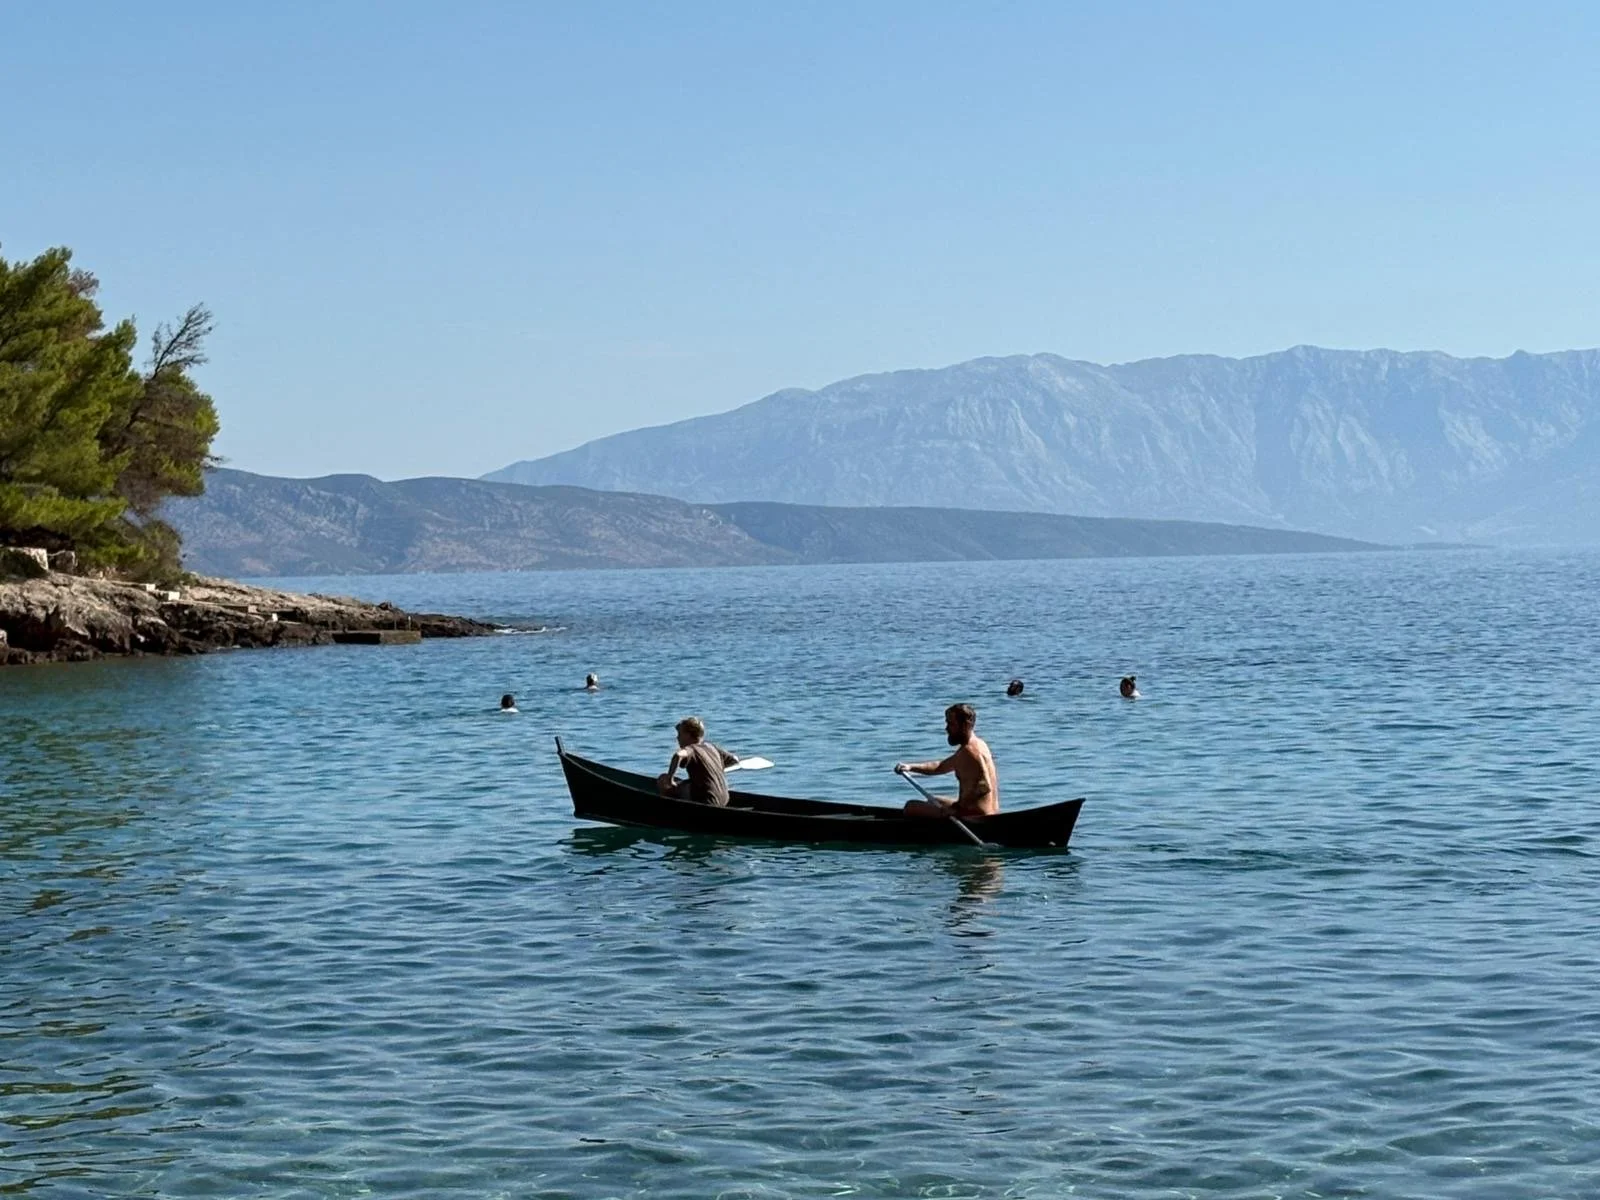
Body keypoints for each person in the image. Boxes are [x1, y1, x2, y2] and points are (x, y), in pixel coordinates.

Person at [895, 703, 1000, 820]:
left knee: (910, 807)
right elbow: (940, 766)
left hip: (975, 817)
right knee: (934, 800)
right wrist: (910, 767)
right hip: (988, 812)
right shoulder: (978, 744)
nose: (946, 728)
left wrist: (952, 811)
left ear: (965, 725)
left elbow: (984, 787)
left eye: (951, 724)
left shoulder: (969, 752)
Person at [658, 716, 740, 805]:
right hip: (724, 799)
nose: (677, 738)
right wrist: (717, 768)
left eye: (680, 734)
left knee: (663, 780)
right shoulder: (711, 747)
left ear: (688, 735)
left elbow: (678, 755)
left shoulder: (692, 749)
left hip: (707, 800)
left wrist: (670, 779)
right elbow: (734, 759)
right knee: (685, 782)